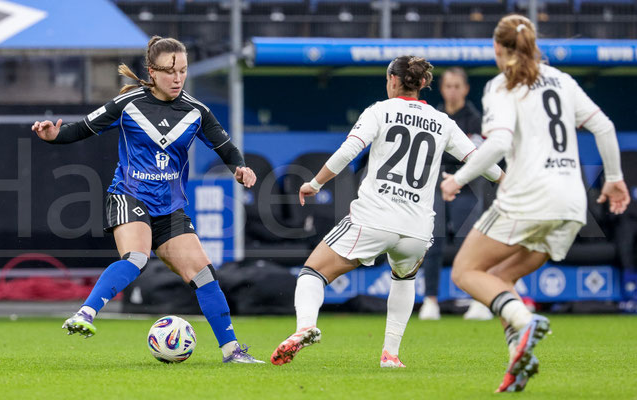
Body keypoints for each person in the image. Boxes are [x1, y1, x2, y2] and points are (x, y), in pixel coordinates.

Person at [31, 36, 264, 364]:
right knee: (137, 257)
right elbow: (81, 129)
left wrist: (240, 168)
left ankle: (232, 352)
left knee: (204, 275)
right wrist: (55, 135)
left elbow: (225, 147)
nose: (178, 78)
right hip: (129, 196)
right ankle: (85, 313)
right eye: (169, 71)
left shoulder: (196, 111)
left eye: (182, 70)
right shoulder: (127, 104)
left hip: (169, 208)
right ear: (152, 72)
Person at [270, 56, 503, 368]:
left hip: (374, 218)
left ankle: (305, 327)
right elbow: (481, 161)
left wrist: (314, 183)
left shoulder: (379, 111)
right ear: (423, 83)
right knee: (404, 279)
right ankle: (390, 354)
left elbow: (348, 152)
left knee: (312, 273)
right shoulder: (443, 122)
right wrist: (508, 182)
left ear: (393, 80)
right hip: (418, 228)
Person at [440, 15, 630, 392]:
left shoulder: (502, 85)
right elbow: (605, 127)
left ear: (497, 48)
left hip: (528, 197)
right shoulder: (562, 79)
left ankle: (525, 322)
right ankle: (519, 361)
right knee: (500, 278)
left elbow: (497, 143)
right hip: (571, 205)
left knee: (465, 271)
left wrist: (457, 179)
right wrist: (613, 178)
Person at [418, 66, 494, 321]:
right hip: (436, 185)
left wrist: (457, 173)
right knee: (432, 242)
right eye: (448, 86)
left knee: (470, 244)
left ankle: (479, 301)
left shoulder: (476, 119)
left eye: (457, 86)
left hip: (467, 186)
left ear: (465, 89)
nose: (452, 91)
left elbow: (477, 156)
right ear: (441, 88)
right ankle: (430, 301)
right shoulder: (433, 116)